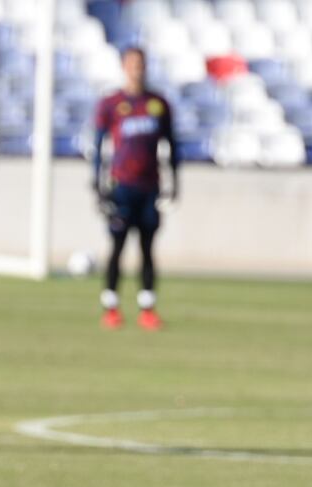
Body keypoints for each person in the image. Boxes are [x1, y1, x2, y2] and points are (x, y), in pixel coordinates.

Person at [92, 46, 179, 331]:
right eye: (131, 64)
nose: (136, 69)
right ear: (123, 67)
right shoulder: (112, 103)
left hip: (149, 187)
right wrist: (98, 183)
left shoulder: (158, 104)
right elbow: (98, 146)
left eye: (140, 63)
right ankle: (111, 306)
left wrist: (174, 182)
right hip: (121, 186)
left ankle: (147, 308)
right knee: (117, 247)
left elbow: (171, 146)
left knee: (147, 248)